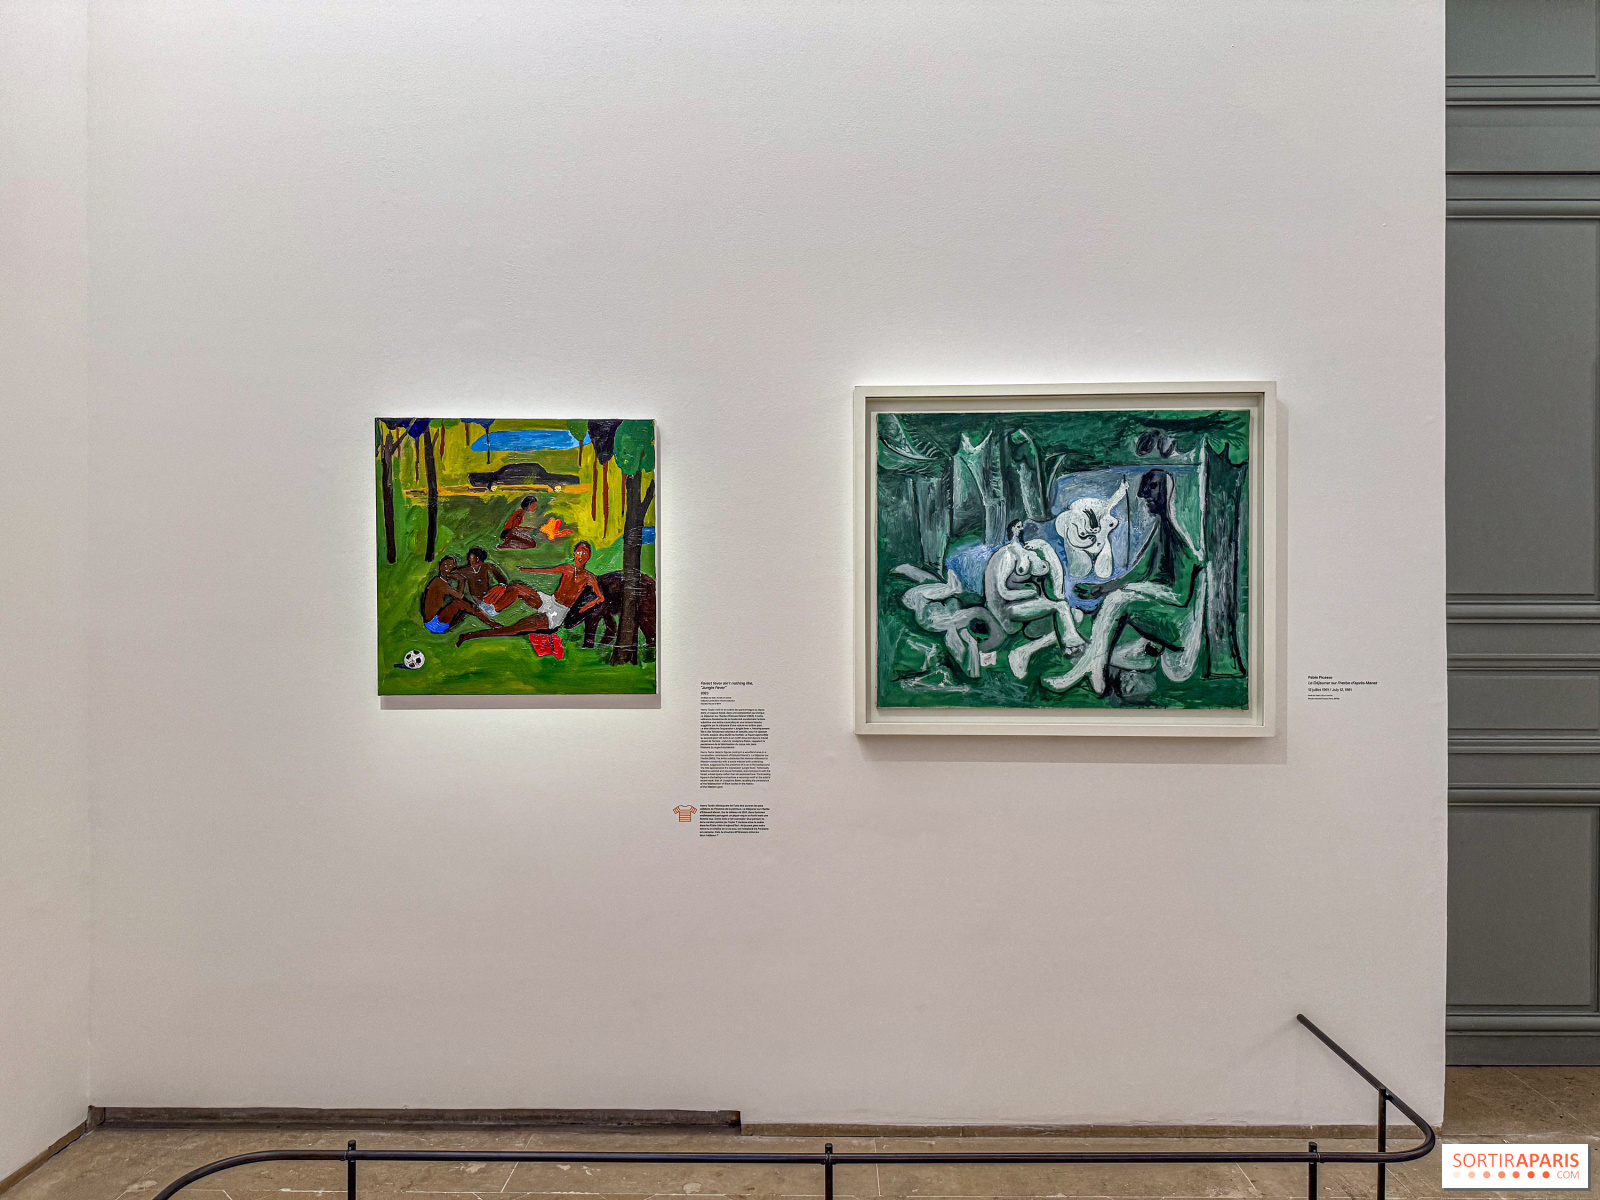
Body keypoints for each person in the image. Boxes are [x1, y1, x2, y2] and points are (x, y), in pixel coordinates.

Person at [1042, 468, 1201, 697]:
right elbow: (1139, 572)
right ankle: (1093, 672)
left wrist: (1129, 589)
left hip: (1177, 626)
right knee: (1116, 600)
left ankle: (1090, 673)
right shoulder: (1160, 530)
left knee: (1119, 599)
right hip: (1160, 613)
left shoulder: (1180, 538)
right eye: (1145, 488)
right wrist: (1101, 589)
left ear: (1167, 493)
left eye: (1153, 487)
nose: (1145, 495)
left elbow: (1180, 595)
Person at [983, 519, 1084, 679]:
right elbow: (1003, 592)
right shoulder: (1007, 555)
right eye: (1018, 527)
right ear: (1012, 530)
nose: (1022, 529)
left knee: (1076, 615)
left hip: (1029, 606)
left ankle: (1026, 650)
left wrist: (1045, 548)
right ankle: (1073, 647)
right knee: (1061, 607)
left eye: (1022, 526)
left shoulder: (1030, 551)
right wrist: (1030, 593)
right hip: (1008, 610)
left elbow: (1057, 584)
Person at [456, 541, 606, 646]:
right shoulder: (567, 568)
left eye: (585, 553)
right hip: (549, 601)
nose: (581, 555)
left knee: (514, 629)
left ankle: (470, 636)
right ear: (574, 553)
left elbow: (600, 597)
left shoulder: (589, 577)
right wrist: (526, 570)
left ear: (588, 556)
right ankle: (492, 610)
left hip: (557, 613)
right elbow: (546, 570)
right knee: (516, 587)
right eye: (579, 551)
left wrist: (585, 607)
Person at [455, 546, 545, 624]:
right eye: (471, 558)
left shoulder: (488, 566)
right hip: (486, 607)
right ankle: (542, 604)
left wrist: (500, 587)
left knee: (516, 587)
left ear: (479, 558)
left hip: (493, 600)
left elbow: (503, 579)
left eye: (473, 558)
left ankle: (541, 602)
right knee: (516, 588)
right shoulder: (466, 570)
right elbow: (453, 573)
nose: (471, 560)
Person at [419, 556, 498, 633]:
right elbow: (460, 596)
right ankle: (491, 623)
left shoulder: (442, 581)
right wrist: (461, 580)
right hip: (434, 624)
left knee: (463, 605)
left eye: (450, 566)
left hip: (436, 622)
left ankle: (489, 621)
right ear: (440, 567)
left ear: (453, 568)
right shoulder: (438, 582)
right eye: (445, 565)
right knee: (459, 603)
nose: (447, 568)